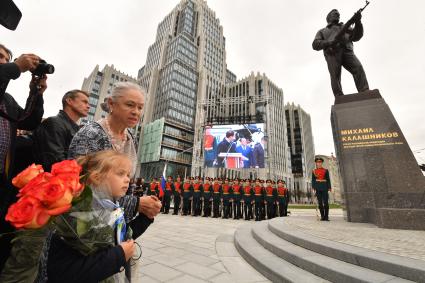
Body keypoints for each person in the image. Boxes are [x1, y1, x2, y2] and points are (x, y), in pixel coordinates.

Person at [44, 150, 153, 282]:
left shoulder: (110, 206)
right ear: (97, 177)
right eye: (120, 173)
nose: (127, 179)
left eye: (128, 175)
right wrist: (119, 255)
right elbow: (65, 271)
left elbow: (119, 236)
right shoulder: (77, 215)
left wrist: (146, 218)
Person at [68, 82, 161, 224]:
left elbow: (126, 184)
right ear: (111, 104)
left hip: (115, 223)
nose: (136, 111)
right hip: (86, 226)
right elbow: (82, 190)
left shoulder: (131, 138)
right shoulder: (91, 134)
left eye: (140, 107)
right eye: (130, 105)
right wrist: (135, 204)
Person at [0, 43, 47, 273]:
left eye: (5, 58)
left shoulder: (7, 101)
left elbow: (29, 121)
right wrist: (16, 66)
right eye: (0, 57)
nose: (3, 62)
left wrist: (35, 91)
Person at [312, 9, 369, 97]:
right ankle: (339, 96)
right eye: (335, 14)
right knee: (335, 76)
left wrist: (358, 22)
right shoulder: (322, 31)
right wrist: (329, 43)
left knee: (358, 68)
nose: (338, 15)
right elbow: (315, 44)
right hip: (332, 53)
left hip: (347, 50)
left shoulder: (345, 27)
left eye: (338, 14)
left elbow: (357, 36)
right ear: (329, 17)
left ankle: (364, 90)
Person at [33, 89, 89, 171]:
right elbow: (55, 162)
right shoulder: (54, 123)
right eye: (84, 102)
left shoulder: (77, 129)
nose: (88, 106)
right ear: (69, 101)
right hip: (52, 180)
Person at [312, 157, 332, 221]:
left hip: (324, 187)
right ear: (316, 163)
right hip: (318, 188)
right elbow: (313, 180)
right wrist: (313, 188)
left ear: (322, 163)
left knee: (326, 203)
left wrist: (329, 188)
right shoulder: (314, 171)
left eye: (320, 162)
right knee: (320, 203)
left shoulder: (325, 170)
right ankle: (322, 216)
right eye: (317, 162)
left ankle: (326, 216)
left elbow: (328, 180)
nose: (319, 163)